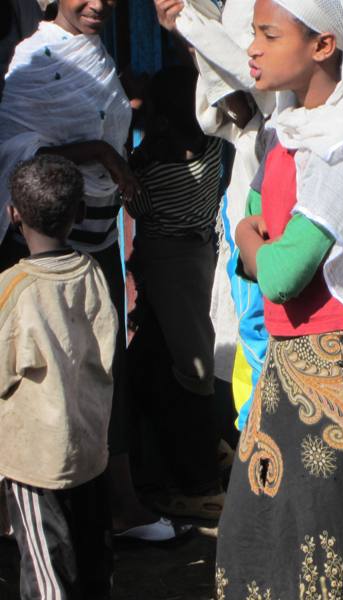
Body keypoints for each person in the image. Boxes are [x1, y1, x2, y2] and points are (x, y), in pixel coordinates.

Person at [214, 0, 343, 597]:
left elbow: (280, 273)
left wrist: (249, 239)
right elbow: (253, 226)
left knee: (332, 544)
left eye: (269, 35)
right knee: (262, 536)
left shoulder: (340, 147)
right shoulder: (290, 133)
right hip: (288, 366)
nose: (253, 49)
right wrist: (253, 238)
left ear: (323, 45)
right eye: (253, 34)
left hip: (337, 374)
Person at [0, 0, 179, 540]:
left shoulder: (95, 55)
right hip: (41, 247)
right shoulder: (32, 62)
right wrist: (100, 152)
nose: (99, 4)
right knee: (45, 370)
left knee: (104, 365)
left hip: (96, 233)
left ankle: (117, 502)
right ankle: (33, 508)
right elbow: (17, 152)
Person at [153, 0, 273, 440]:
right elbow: (243, 107)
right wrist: (196, 34)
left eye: (268, 38)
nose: (255, 53)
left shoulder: (329, 141)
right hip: (248, 206)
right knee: (251, 346)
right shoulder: (256, 145)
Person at [0, 155, 116, 599]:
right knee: (92, 565)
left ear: (13, 214)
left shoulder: (15, 288)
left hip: (37, 465)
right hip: (89, 450)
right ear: (81, 214)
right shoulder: (94, 274)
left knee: (48, 575)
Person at [125, 65, 225, 519]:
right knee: (158, 357)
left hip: (165, 267)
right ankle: (205, 454)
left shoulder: (149, 165)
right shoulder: (214, 154)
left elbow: (135, 205)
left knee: (189, 368)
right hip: (200, 257)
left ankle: (200, 478)